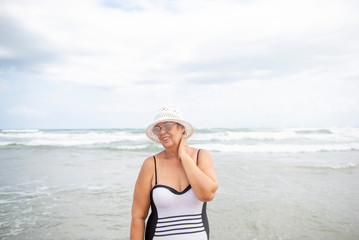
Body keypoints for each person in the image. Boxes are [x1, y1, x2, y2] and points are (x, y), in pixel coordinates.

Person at [130, 106, 218, 240]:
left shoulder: (201, 156)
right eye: (157, 129)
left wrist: (184, 157)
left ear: (181, 128)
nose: (162, 132)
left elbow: (207, 194)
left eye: (166, 126)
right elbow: (138, 216)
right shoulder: (151, 164)